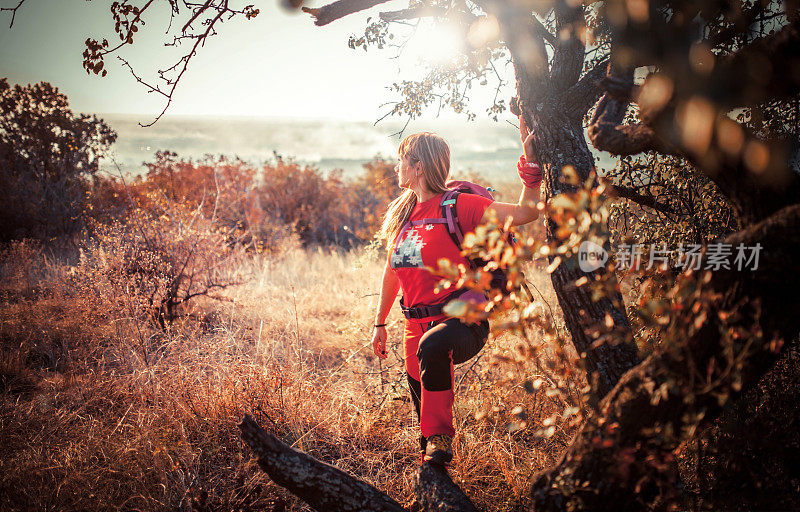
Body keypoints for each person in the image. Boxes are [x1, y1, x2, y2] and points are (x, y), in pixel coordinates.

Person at [370, 115, 543, 466]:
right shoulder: (405, 215)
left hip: (463, 319)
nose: (396, 167)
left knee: (433, 349)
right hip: (413, 326)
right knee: (424, 422)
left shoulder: (460, 205)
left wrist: (532, 165)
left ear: (417, 166)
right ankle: (434, 476)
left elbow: (526, 212)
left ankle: (440, 439)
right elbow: (393, 270)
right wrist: (380, 323)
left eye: (402, 159)